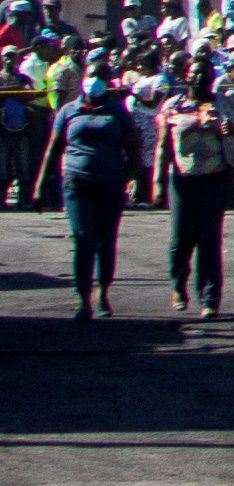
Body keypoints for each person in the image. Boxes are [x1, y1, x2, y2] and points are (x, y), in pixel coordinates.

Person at [160, 56, 234, 316]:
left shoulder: (223, 103)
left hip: (214, 177)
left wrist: (227, 128)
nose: (200, 79)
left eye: (206, 74)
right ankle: (178, 284)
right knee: (181, 239)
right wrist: (156, 180)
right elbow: (163, 145)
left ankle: (209, 299)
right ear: (186, 76)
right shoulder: (173, 105)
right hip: (183, 178)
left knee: (210, 239)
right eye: (195, 73)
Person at [55, 69, 141, 317]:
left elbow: (133, 146)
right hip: (77, 182)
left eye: (100, 77)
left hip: (110, 183)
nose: (94, 82)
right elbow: (54, 147)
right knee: (83, 240)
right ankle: (82, 299)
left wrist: (135, 178)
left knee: (106, 240)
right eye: (91, 75)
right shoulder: (69, 110)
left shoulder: (117, 112)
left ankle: (102, 293)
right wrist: (40, 185)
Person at [0, 37, 36, 210]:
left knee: (23, 167)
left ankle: (24, 200)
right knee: (2, 168)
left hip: (21, 128)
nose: (9, 59)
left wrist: (16, 92)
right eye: (6, 56)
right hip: (2, 129)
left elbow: (31, 94)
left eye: (12, 56)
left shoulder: (23, 78)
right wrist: (12, 91)